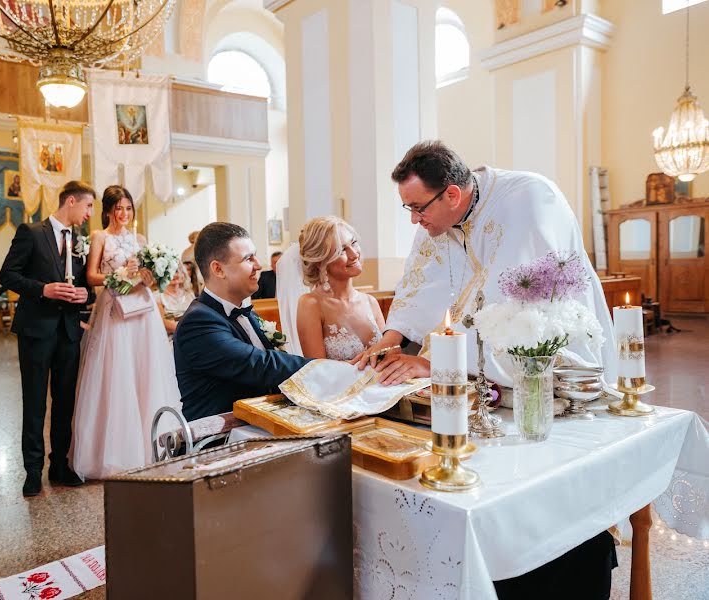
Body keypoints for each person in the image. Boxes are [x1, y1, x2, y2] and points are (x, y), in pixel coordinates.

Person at [356, 140, 617, 598]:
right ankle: (502, 556)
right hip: (490, 374)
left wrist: (430, 361)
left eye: (417, 209)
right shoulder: (439, 212)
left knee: (547, 462)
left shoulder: (529, 200)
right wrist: (390, 338)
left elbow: (511, 310)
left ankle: (555, 548)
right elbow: (423, 281)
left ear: (451, 195)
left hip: (554, 356)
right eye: (408, 209)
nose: (414, 220)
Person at [70, 185, 181, 479]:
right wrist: (121, 276)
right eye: (118, 208)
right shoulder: (100, 237)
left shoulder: (140, 238)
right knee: (117, 372)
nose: (124, 214)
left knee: (145, 371)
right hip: (115, 307)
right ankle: (116, 452)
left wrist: (149, 276)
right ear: (108, 211)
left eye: (128, 208)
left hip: (143, 311)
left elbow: (152, 281)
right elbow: (92, 276)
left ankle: (150, 445)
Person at [0, 180, 95, 497]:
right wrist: (43, 289)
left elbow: (86, 286)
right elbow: (7, 275)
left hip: (68, 331)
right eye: (88, 206)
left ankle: (60, 466)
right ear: (71, 201)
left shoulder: (80, 241)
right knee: (36, 402)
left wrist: (85, 293)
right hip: (36, 330)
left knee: (65, 402)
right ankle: (32, 472)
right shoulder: (32, 232)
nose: (89, 214)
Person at [174, 222, 311, 421]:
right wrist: (324, 368)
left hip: (260, 426)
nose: (258, 265)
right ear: (218, 269)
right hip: (220, 441)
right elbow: (261, 365)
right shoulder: (198, 322)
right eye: (248, 258)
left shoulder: (245, 313)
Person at [282, 217, 385, 360]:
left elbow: (387, 354)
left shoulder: (370, 301)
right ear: (320, 261)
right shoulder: (311, 304)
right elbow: (319, 369)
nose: (354, 254)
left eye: (353, 243)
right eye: (341, 250)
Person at [157, 264, 196, 337]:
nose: (173, 275)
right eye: (168, 272)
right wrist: (190, 331)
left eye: (176, 271)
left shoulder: (189, 294)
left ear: (182, 274)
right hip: (174, 338)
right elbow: (166, 323)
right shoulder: (158, 297)